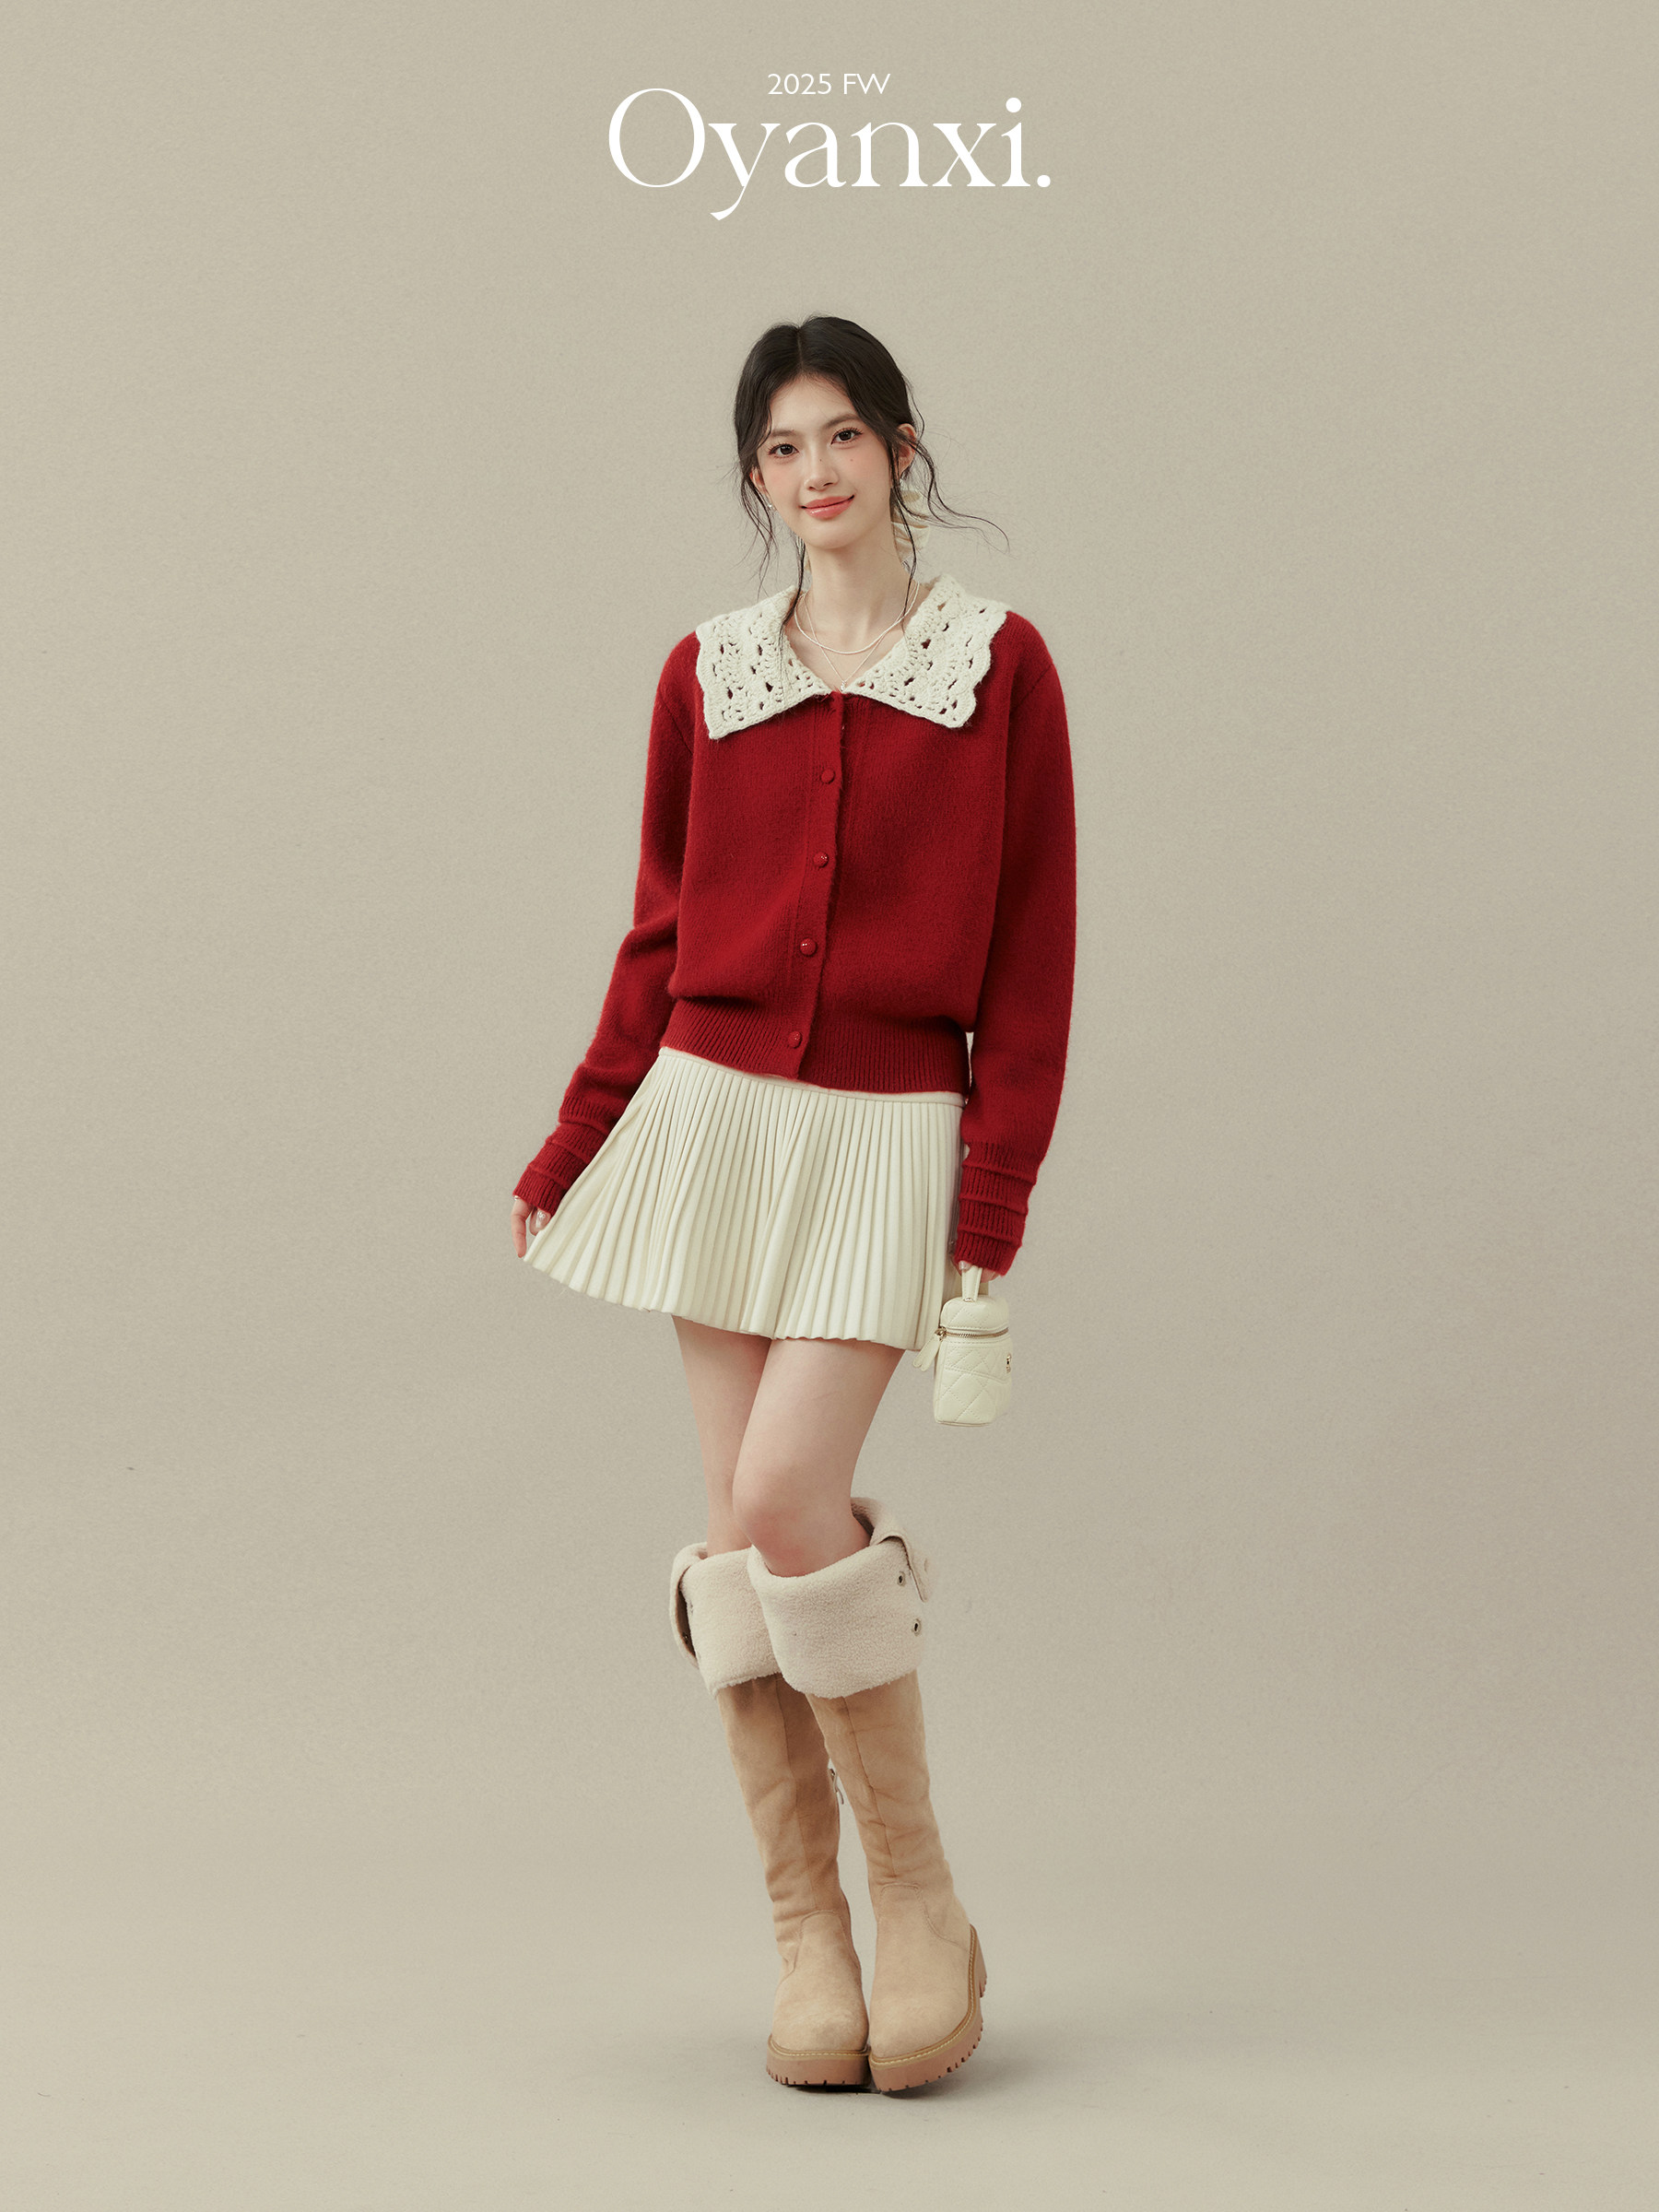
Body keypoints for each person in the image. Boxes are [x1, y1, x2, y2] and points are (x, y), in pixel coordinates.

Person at [510, 314, 1077, 2092]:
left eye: (842, 436)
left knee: (783, 1499)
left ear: (901, 450)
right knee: (736, 1533)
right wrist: (575, 1140)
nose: (813, 472)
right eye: (780, 447)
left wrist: (992, 1200)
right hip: (711, 1118)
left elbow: (1035, 960)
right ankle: (809, 1941)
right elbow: (661, 931)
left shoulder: (999, 667)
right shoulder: (709, 671)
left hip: (891, 1131)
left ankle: (920, 1904)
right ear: (756, 475)